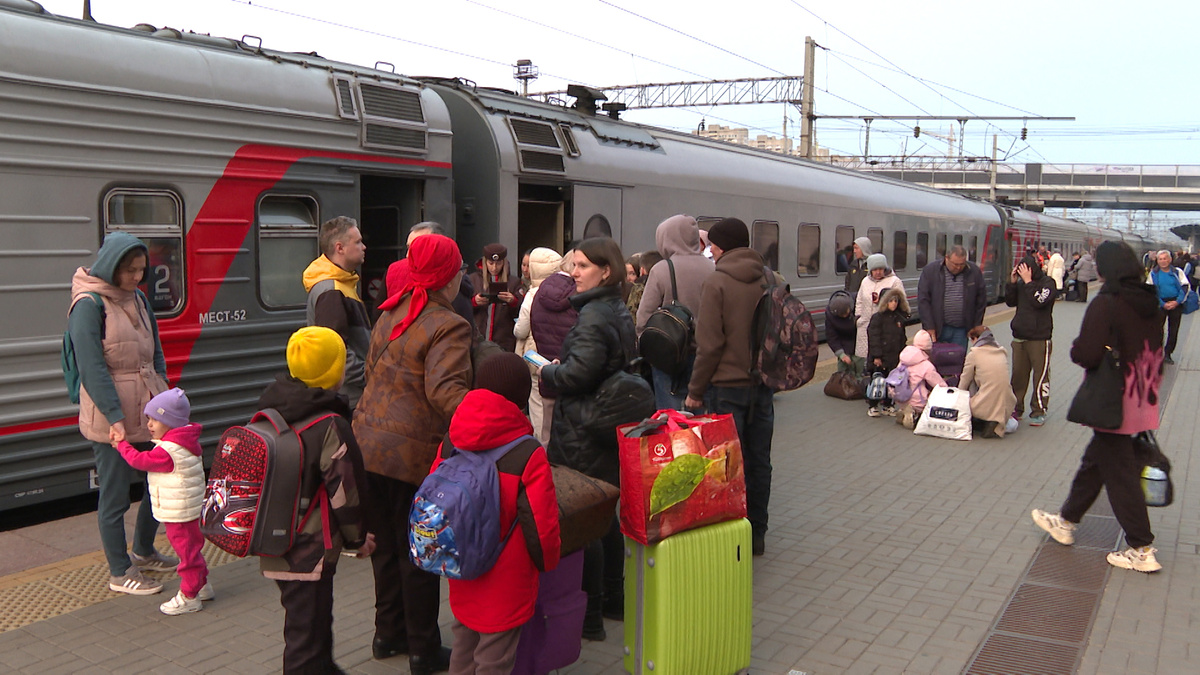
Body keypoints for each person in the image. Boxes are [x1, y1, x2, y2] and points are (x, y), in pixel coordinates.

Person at [354, 234, 472, 674]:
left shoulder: (391, 310)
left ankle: (387, 635)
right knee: (418, 555)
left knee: (385, 549)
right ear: (448, 277)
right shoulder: (448, 324)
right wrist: (483, 415)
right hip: (410, 457)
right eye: (459, 270)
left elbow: (369, 373)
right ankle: (423, 649)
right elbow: (445, 391)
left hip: (367, 447)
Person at [1031, 241, 1165, 573]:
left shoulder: (1106, 303)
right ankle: (1066, 521)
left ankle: (1141, 548)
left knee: (1120, 474)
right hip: (1141, 394)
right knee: (1095, 462)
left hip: (1112, 398)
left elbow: (1087, 353)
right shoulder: (1150, 301)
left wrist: (1078, 349)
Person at [258, 327, 374, 674]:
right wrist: (357, 539)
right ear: (333, 372)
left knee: (313, 622)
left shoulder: (273, 409)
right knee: (305, 638)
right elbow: (345, 492)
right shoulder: (329, 424)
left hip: (274, 539)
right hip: (308, 548)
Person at [537, 237, 635, 641]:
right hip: (605, 422)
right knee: (605, 510)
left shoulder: (593, 315)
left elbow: (579, 375)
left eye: (582, 266)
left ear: (605, 271)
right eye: (573, 265)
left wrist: (549, 371)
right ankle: (614, 597)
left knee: (584, 517)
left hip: (582, 428)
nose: (573, 273)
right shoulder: (615, 307)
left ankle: (589, 614)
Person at [439, 353, 560, 675]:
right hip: (507, 577)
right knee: (495, 659)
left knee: (463, 647)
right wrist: (549, 563)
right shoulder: (527, 452)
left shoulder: (452, 438)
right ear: (521, 398)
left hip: (463, 567)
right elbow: (542, 524)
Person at [69, 231, 175, 596]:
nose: (136, 277)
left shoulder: (139, 299)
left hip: (148, 409)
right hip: (109, 416)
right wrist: (113, 417)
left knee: (158, 482)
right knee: (114, 496)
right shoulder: (88, 305)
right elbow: (91, 367)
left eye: (141, 270)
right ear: (111, 266)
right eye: (129, 270)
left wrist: (163, 393)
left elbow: (154, 351)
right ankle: (119, 571)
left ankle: (144, 550)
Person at [682, 218, 775, 557]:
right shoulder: (769, 278)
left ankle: (731, 530)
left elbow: (710, 346)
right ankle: (757, 533)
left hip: (726, 387)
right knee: (759, 460)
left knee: (727, 464)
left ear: (720, 247)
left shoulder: (717, 282)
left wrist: (695, 391)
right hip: (762, 385)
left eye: (712, 245)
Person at [112, 388, 212, 615]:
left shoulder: (169, 451)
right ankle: (201, 586)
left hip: (179, 513)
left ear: (171, 422)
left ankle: (189, 596)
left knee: (187, 555)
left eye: (155, 419)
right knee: (192, 550)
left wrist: (122, 445)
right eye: (149, 418)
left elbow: (139, 460)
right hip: (188, 509)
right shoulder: (185, 442)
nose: (149, 424)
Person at [635, 215, 715, 410]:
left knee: (672, 416)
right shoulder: (713, 268)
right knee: (702, 416)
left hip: (669, 354)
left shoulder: (662, 269)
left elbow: (644, 316)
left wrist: (646, 347)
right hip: (705, 357)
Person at [303, 216, 370, 407]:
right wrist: (370, 376)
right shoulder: (331, 291)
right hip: (349, 397)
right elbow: (335, 351)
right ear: (340, 248)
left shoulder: (341, 284)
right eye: (358, 242)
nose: (364, 247)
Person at [514, 247, 564, 444]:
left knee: (537, 404)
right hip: (558, 357)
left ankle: (541, 448)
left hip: (535, 357)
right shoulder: (568, 292)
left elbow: (521, 330)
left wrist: (515, 327)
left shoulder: (532, 294)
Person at [530, 251, 579, 445]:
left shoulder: (538, 293)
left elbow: (532, 327)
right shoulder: (578, 296)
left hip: (547, 372)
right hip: (572, 376)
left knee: (547, 434)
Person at [1005, 255, 1056, 427]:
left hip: (1040, 338)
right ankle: (1016, 408)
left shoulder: (1048, 283)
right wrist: (1013, 283)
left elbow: (1039, 301)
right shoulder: (1021, 284)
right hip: (1020, 336)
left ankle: (1039, 410)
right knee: (1018, 376)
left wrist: (1028, 282)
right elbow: (1010, 302)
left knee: (1040, 376)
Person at [917, 245, 987, 349]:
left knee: (958, 357)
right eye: (955, 264)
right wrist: (929, 326)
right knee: (937, 357)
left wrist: (976, 324)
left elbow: (981, 300)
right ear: (946, 258)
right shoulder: (931, 271)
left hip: (962, 329)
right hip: (938, 329)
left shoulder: (974, 272)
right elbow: (923, 300)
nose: (958, 267)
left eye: (962, 264)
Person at [958, 327, 1018, 439]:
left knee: (971, 380)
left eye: (972, 339)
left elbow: (965, 379)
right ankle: (995, 423)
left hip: (984, 402)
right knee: (1013, 424)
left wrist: (958, 397)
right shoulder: (1001, 351)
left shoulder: (974, 354)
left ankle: (985, 421)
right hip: (1006, 402)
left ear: (976, 338)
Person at [470, 243, 523, 352]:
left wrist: (513, 301)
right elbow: (461, 307)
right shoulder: (473, 280)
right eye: (491, 263)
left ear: (504, 263)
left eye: (498, 263)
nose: (494, 267)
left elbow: (522, 312)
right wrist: (474, 302)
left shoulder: (514, 282)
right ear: (485, 262)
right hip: (477, 340)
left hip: (503, 341)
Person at [866, 288, 909, 418]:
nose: (894, 303)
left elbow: (902, 338)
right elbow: (874, 338)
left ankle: (888, 404)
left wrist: (903, 353)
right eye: (890, 301)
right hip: (880, 357)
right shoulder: (877, 318)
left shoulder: (899, 318)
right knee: (877, 381)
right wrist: (876, 356)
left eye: (896, 300)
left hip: (894, 356)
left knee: (892, 383)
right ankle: (873, 405)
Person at [854, 253, 905, 359]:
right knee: (864, 358)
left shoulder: (894, 282)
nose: (878, 272)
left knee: (880, 357)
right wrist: (858, 318)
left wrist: (883, 301)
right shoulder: (865, 281)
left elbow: (901, 303)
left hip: (885, 328)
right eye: (875, 269)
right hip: (864, 325)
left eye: (880, 269)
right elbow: (859, 300)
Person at [894, 330, 947, 429]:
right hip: (917, 400)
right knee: (930, 395)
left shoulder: (904, 358)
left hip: (899, 395)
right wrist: (948, 390)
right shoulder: (926, 365)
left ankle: (903, 409)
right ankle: (914, 413)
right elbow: (939, 384)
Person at [1148, 249, 1189, 365]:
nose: (1163, 261)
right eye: (1160, 259)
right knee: (1157, 330)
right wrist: (1162, 303)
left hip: (1176, 303)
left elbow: (1185, 287)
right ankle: (1157, 353)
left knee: (1173, 330)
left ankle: (1168, 353)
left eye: (1165, 258)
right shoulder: (1153, 274)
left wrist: (1177, 302)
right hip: (1160, 304)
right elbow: (1150, 291)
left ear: (1170, 260)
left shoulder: (1177, 272)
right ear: (1157, 261)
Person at [824, 290, 858, 369]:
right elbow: (831, 336)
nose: (844, 316)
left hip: (860, 343)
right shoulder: (830, 315)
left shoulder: (858, 303)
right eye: (841, 315)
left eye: (846, 313)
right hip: (844, 346)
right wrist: (841, 354)